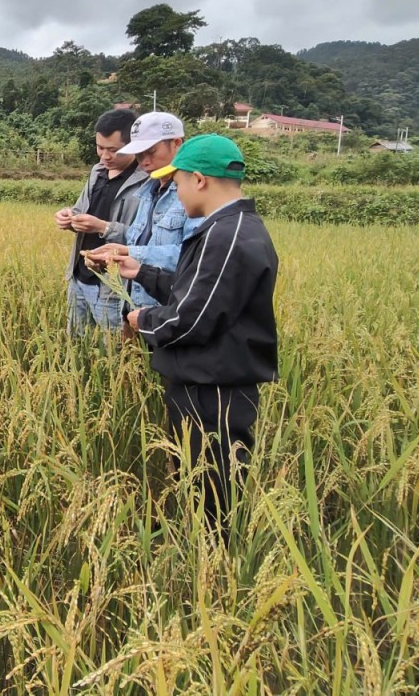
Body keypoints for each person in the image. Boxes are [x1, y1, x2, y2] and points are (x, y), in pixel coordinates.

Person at [111, 135, 279, 537]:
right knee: (196, 479)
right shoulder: (227, 229)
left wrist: (142, 319)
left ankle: (212, 569)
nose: (177, 190)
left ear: (199, 180)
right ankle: (196, 554)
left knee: (214, 489)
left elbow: (192, 318)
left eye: (180, 181)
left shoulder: (228, 235)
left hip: (213, 389)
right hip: (203, 380)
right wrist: (142, 273)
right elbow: (199, 292)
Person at [83, 111, 201, 325]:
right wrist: (111, 258)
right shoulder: (148, 192)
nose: (144, 162)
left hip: (168, 313)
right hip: (134, 306)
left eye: (151, 152)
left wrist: (128, 250)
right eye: (139, 154)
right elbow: (138, 242)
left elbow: (193, 255)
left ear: (176, 143)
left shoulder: (193, 194)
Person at [54, 108, 149, 334]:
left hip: (112, 284)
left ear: (133, 145)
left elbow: (145, 239)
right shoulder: (97, 172)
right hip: (79, 275)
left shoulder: (147, 184)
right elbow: (80, 210)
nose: (104, 156)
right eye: (100, 148)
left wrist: (103, 227)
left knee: (112, 352)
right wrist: (68, 217)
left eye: (113, 150)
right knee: (76, 344)